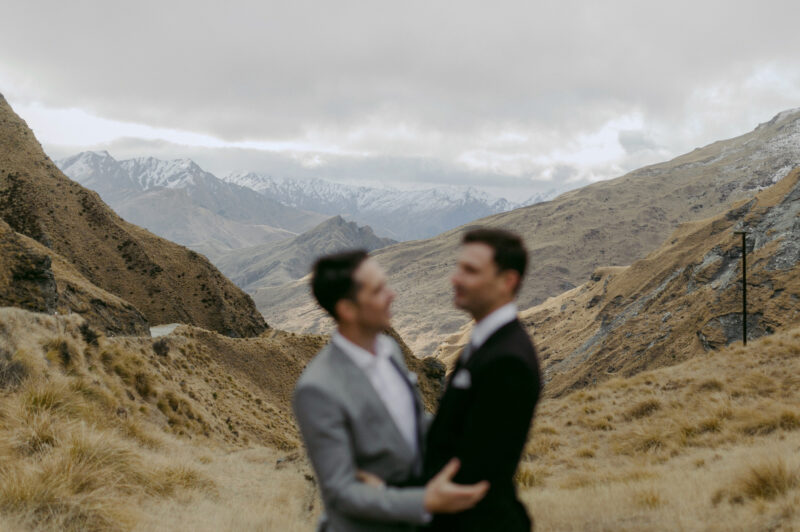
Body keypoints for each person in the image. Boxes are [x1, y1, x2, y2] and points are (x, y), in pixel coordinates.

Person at [293, 250, 489, 532]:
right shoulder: (318, 389)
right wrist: (425, 501)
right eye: (378, 290)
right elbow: (342, 493)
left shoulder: (390, 350)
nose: (392, 295)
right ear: (347, 309)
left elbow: (413, 424)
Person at [423, 228, 542, 531]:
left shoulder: (508, 361)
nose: (456, 279)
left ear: (508, 281)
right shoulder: (485, 344)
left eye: (470, 270)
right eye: (459, 267)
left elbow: (474, 473)